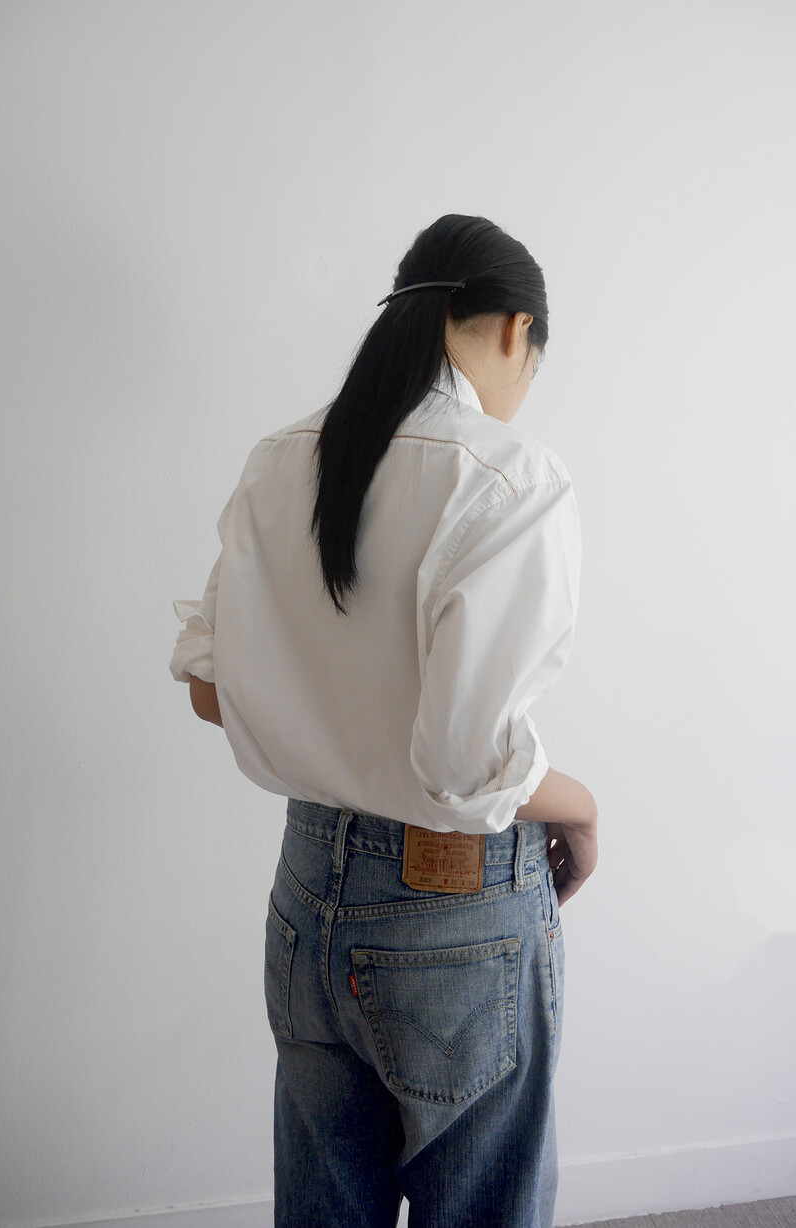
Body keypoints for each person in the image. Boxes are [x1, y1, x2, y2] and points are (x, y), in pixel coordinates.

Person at [170, 213, 599, 1228]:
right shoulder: (510, 476)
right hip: (451, 915)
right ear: (515, 331)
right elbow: (463, 765)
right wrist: (579, 806)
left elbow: (209, 691)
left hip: (305, 897)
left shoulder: (282, 458)